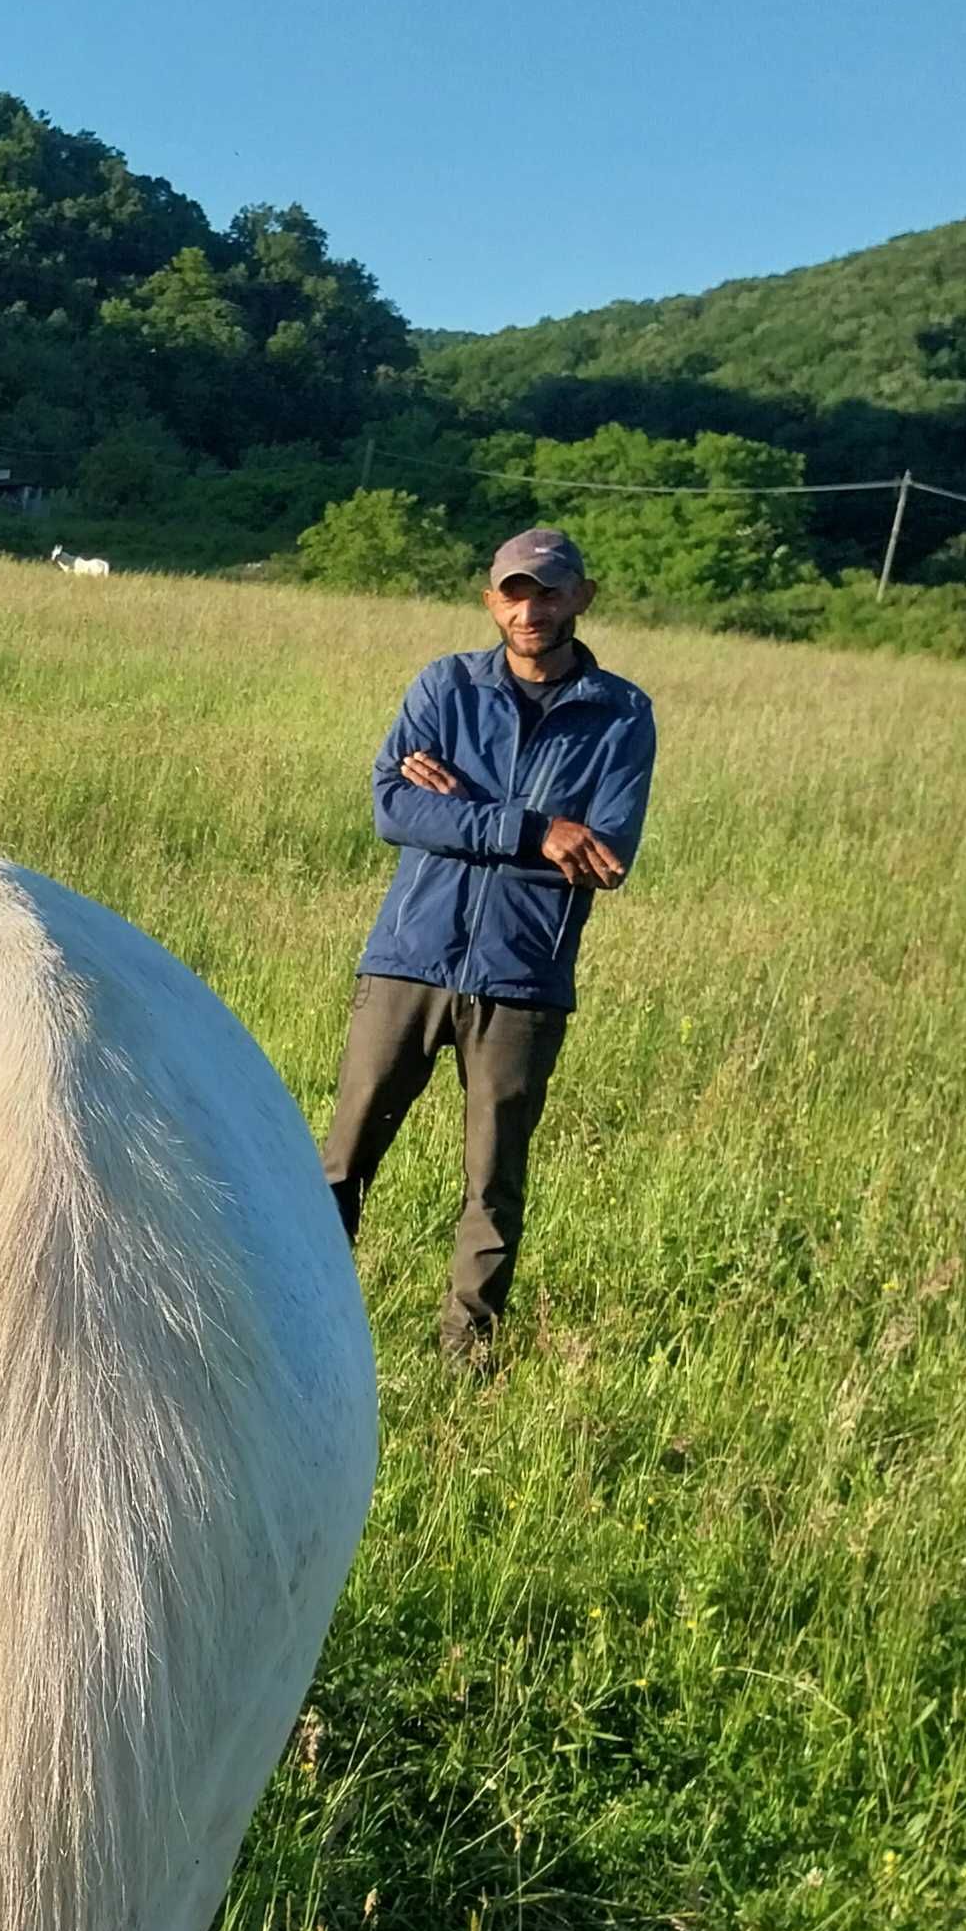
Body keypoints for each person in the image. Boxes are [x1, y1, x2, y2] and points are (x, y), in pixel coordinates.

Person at [320, 526, 656, 1368]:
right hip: (407, 959)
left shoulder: (622, 714)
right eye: (514, 591)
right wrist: (535, 829)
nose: (529, 609)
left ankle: (467, 1357)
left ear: (581, 597)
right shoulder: (446, 686)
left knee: (494, 1183)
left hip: (524, 978)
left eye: (547, 591)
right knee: (344, 1160)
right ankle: (309, 1322)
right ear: (489, 600)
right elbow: (395, 810)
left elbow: (605, 856)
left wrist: (462, 808)